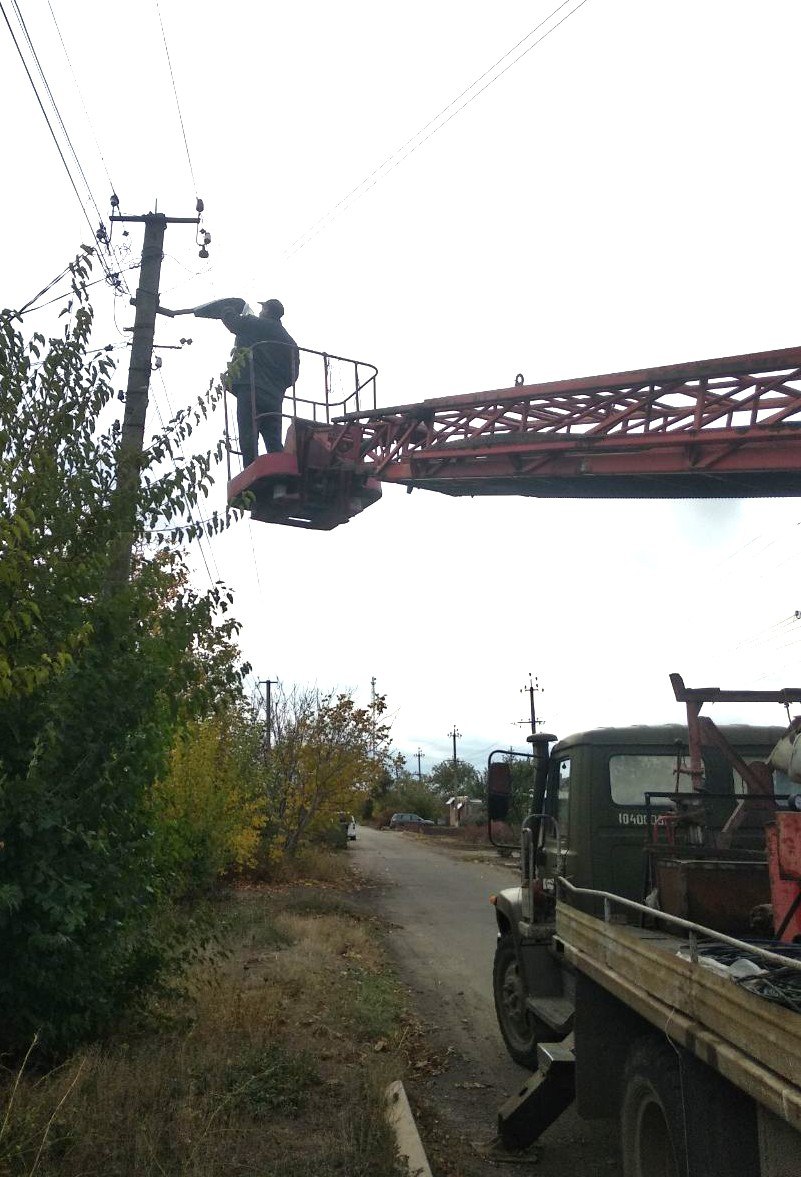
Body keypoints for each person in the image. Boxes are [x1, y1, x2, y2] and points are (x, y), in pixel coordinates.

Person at [221, 298, 300, 465]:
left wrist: (227, 309)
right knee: (273, 439)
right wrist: (277, 385)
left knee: (248, 436)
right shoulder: (290, 342)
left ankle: (250, 473)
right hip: (274, 396)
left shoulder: (257, 324)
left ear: (267, 311)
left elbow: (233, 323)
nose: (259, 312)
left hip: (251, 389)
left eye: (262, 309)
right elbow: (293, 375)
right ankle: (280, 477)